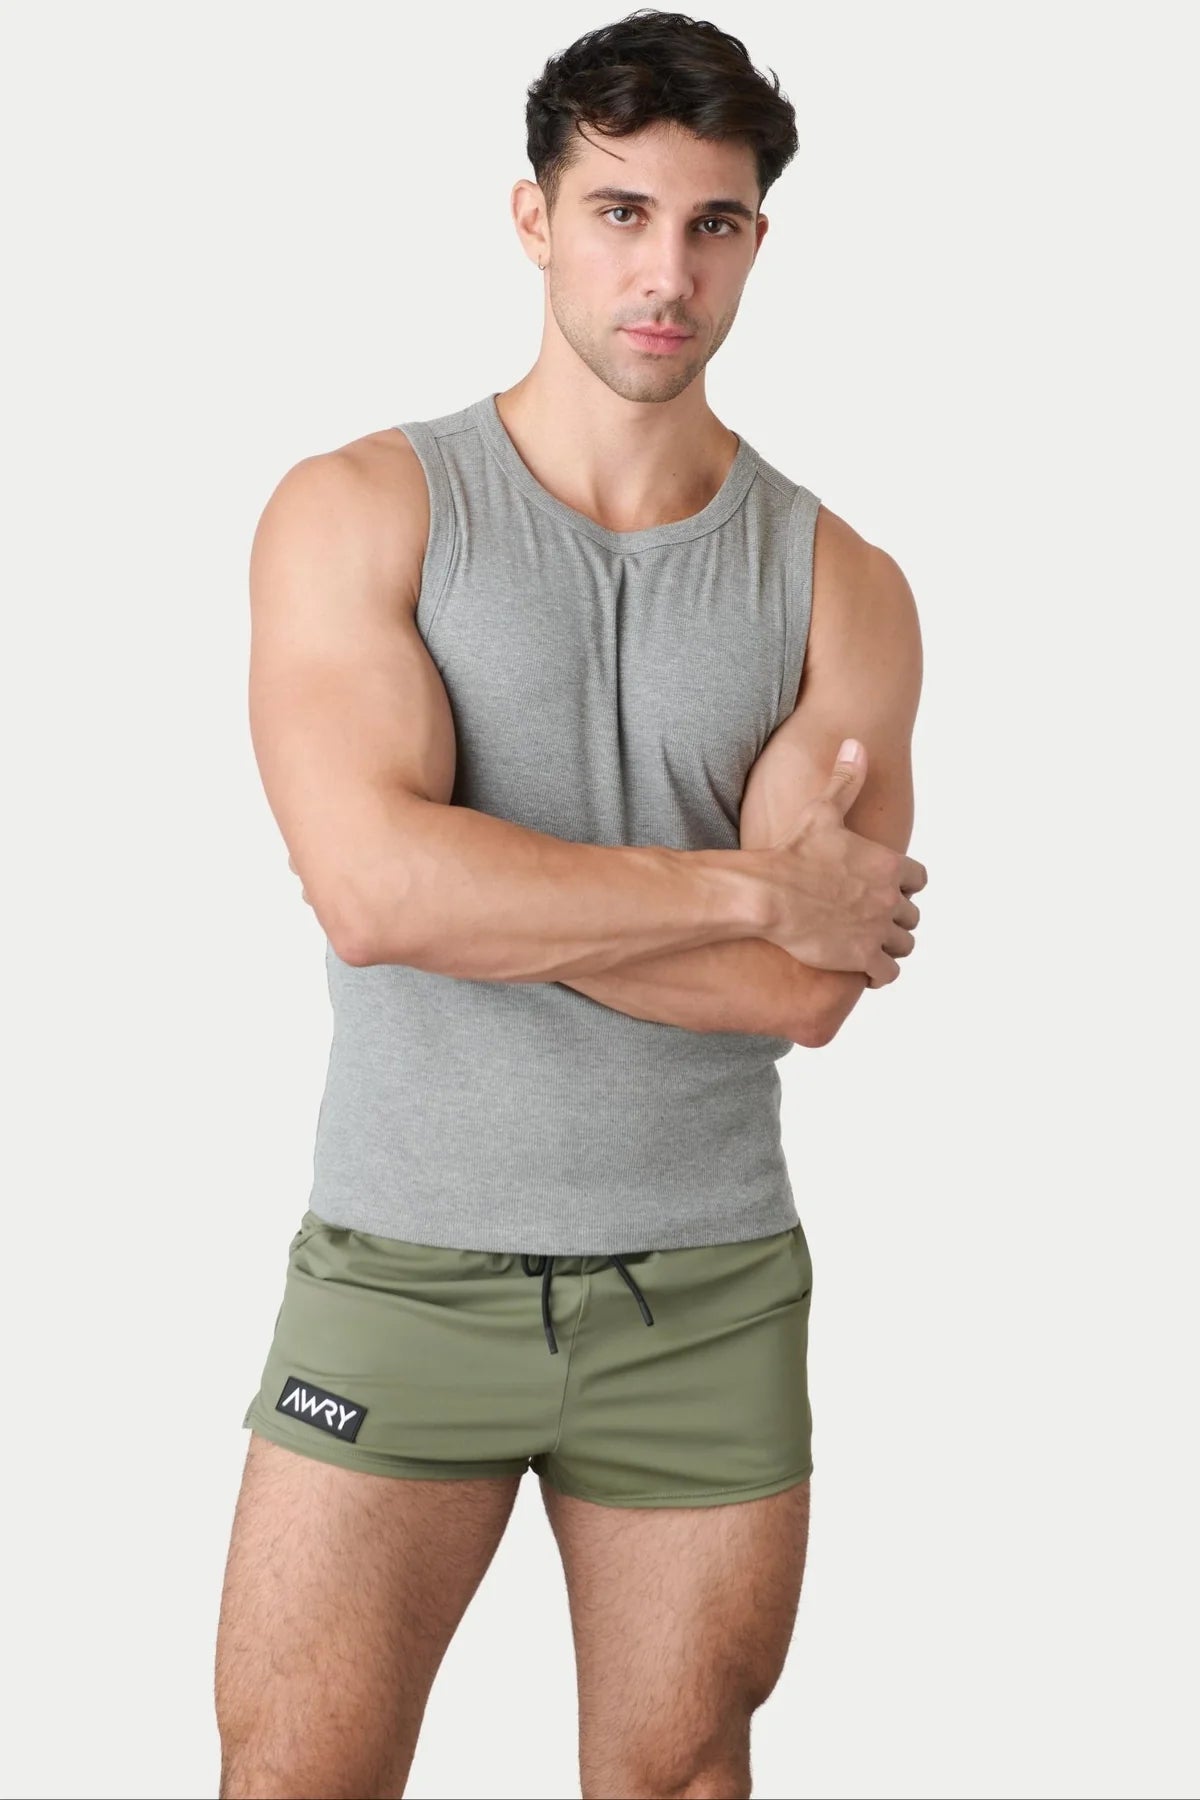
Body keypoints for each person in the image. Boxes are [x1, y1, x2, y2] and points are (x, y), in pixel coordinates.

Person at [214, 10, 926, 1797]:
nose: (665, 271)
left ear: (756, 239)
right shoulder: (361, 508)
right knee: (294, 1774)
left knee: (682, 1775)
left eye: (712, 223)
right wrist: (747, 887)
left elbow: (805, 991)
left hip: (710, 1288)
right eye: (621, 212)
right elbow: (375, 895)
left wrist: (487, 883)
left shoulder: (841, 582)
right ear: (533, 217)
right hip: (403, 1267)